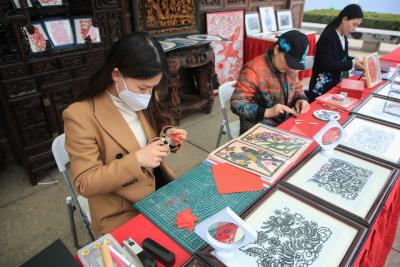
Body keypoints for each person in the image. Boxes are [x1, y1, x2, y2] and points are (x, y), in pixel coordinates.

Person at [63, 33, 187, 234]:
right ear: (116, 75)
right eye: (144, 87)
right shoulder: (80, 115)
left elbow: (154, 128)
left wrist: (168, 135)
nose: (148, 95)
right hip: (121, 207)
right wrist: (136, 160)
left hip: (157, 186)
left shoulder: (139, 94)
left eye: (153, 88)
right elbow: (85, 183)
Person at [231, 30, 311, 134]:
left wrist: (301, 99)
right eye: (289, 61)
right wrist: (267, 112)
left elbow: (297, 89)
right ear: (277, 49)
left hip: (285, 124)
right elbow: (236, 103)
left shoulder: (290, 67)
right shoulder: (253, 69)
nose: (290, 67)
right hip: (258, 129)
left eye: (294, 63)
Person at [307, 4, 364, 102]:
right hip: (321, 87)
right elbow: (327, 65)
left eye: (357, 26)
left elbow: (342, 57)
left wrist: (355, 60)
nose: (355, 29)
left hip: (334, 83)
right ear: (345, 19)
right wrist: (353, 64)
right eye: (354, 24)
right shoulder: (328, 37)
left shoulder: (343, 36)